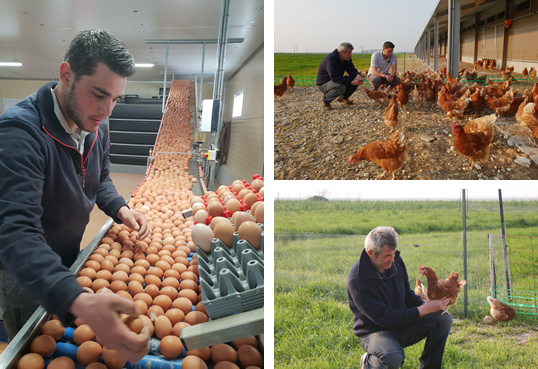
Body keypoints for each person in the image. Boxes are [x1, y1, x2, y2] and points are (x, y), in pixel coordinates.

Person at [0, 29, 150, 362]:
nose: (107, 110)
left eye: (115, 99)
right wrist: (79, 301)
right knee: (33, 345)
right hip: (25, 270)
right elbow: (16, 232)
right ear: (66, 74)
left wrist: (120, 210)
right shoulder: (20, 133)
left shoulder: (97, 124)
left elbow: (101, 179)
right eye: (99, 94)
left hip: (68, 254)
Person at [346, 226, 452, 369]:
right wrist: (424, 309)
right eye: (386, 256)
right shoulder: (357, 280)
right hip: (375, 331)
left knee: (442, 318)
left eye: (394, 253)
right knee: (393, 356)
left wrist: (428, 306)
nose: (392, 259)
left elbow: (407, 294)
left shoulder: (396, 261)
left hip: (401, 321)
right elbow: (384, 318)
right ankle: (369, 362)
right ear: (370, 253)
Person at [316, 42, 364, 110]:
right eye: (349, 53)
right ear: (342, 52)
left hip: (336, 80)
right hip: (324, 83)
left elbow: (352, 70)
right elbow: (334, 78)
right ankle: (325, 100)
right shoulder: (331, 59)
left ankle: (343, 97)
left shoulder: (346, 59)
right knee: (341, 87)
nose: (350, 55)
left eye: (351, 53)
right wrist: (351, 82)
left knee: (355, 80)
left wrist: (357, 76)